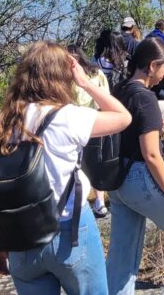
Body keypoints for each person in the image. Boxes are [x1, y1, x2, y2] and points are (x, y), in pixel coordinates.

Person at [0, 41, 131, 295]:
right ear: (63, 77)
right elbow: (123, 117)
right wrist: (86, 83)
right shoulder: (68, 117)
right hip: (70, 231)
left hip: (19, 235)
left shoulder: (0, 124)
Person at [106, 37, 164, 295]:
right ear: (151, 66)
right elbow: (151, 154)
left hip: (117, 180)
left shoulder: (120, 90)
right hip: (139, 177)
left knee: (122, 254)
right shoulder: (146, 99)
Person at [67, 44, 113, 219]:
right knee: (87, 162)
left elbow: (106, 95)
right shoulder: (68, 78)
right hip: (84, 122)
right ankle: (91, 201)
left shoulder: (89, 73)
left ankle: (94, 201)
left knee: (88, 162)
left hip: (86, 121)